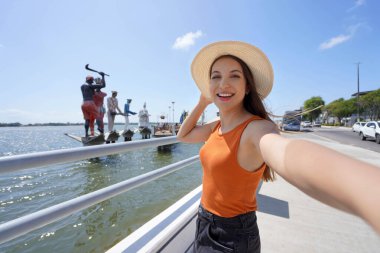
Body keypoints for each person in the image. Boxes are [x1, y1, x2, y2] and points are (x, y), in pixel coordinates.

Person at [177, 41, 380, 252]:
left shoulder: (257, 128)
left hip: (232, 235)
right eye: (216, 76)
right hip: (203, 221)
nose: (223, 83)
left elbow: (286, 154)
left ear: (247, 87)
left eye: (234, 76)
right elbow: (183, 135)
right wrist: (202, 102)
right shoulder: (216, 126)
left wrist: (366, 191)